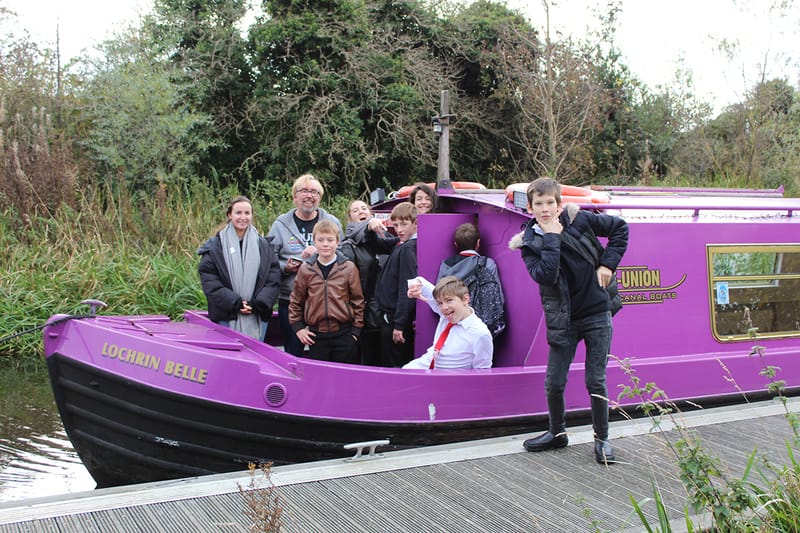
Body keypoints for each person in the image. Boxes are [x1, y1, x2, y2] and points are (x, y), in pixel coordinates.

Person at [510, 177, 628, 465]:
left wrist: (607, 264)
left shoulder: (580, 219)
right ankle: (557, 433)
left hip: (597, 312)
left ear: (559, 204)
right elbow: (546, 275)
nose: (545, 209)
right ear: (531, 207)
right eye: (539, 204)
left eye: (550, 203)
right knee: (554, 382)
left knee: (595, 380)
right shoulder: (529, 243)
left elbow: (620, 229)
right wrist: (551, 236)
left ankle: (602, 439)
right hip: (564, 319)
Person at [268, 174, 343, 356]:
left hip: (326, 302)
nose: (309, 195)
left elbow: (344, 256)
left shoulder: (332, 222)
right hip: (291, 300)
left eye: (314, 192)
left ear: (320, 197)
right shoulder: (280, 225)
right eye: (304, 191)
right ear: (295, 196)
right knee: (293, 353)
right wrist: (286, 267)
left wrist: (318, 253)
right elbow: (268, 261)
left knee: (322, 355)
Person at [197, 196, 281, 341]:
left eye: (247, 213)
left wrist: (257, 304)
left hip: (257, 315)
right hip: (226, 315)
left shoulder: (265, 246)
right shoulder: (214, 247)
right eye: (238, 213)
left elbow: (272, 279)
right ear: (230, 215)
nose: (243, 217)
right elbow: (210, 281)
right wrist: (235, 303)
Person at [289, 219, 365, 363]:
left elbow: (358, 301)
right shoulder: (306, 269)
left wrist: (355, 331)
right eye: (321, 240)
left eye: (330, 240)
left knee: (344, 378)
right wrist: (298, 327)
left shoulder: (348, 268)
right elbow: (295, 301)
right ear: (314, 242)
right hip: (316, 335)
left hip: (344, 334)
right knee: (320, 380)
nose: (325, 244)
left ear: (337, 242)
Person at [364, 202, 418, 367]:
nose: (399, 229)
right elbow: (376, 245)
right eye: (396, 225)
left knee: (394, 364)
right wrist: (370, 228)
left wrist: (399, 325)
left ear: (416, 224)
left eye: (404, 224)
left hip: (395, 320)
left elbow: (406, 288)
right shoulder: (401, 243)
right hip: (390, 318)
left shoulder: (409, 248)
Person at [403, 276, 493, 369]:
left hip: (449, 378)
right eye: (440, 303)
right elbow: (422, 283)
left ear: (465, 299)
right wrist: (414, 286)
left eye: (449, 300)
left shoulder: (480, 333)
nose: (444, 308)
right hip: (426, 364)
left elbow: (482, 372)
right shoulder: (447, 313)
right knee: (402, 374)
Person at [437, 222, 505, 337]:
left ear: (456, 244)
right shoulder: (487, 264)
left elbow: (438, 296)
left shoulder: (446, 265)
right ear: (478, 243)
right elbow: (498, 298)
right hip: (480, 325)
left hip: (453, 323)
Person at [339, 199, 384, 364]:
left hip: (384, 313)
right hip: (363, 314)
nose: (361, 212)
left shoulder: (384, 240)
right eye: (356, 210)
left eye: (364, 208)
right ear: (350, 219)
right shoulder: (348, 247)